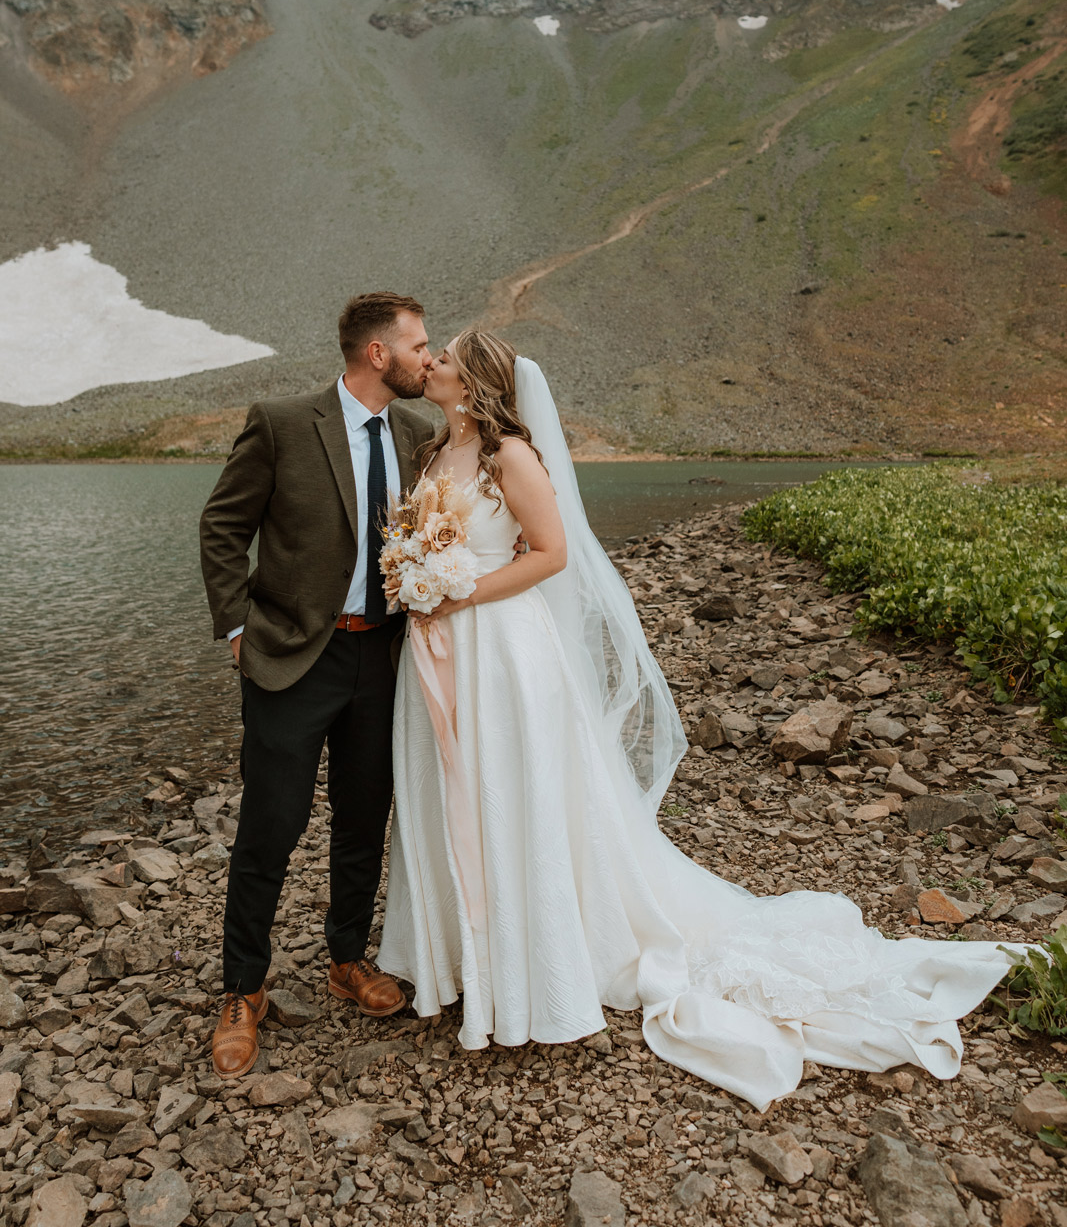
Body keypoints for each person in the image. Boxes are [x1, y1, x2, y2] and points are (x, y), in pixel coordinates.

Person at [378, 329, 1024, 1111]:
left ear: (475, 381)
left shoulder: (509, 457)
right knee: (452, 791)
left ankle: (528, 968)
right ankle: (461, 960)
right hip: (439, 650)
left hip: (504, 652)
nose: (430, 364)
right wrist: (415, 579)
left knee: (514, 794)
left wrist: (459, 591)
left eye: (442, 357)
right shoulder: (427, 453)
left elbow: (549, 554)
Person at [199, 292, 434, 1080]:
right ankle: (243, 989)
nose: (428, 360)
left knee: (365, 818)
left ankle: (346, 958)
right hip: (292, 658)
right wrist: (236, 631)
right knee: (271, 826)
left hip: (384, 658)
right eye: (419, 346)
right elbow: (223, 527)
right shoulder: (280, 421)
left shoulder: (417, 431)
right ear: (378, 354)